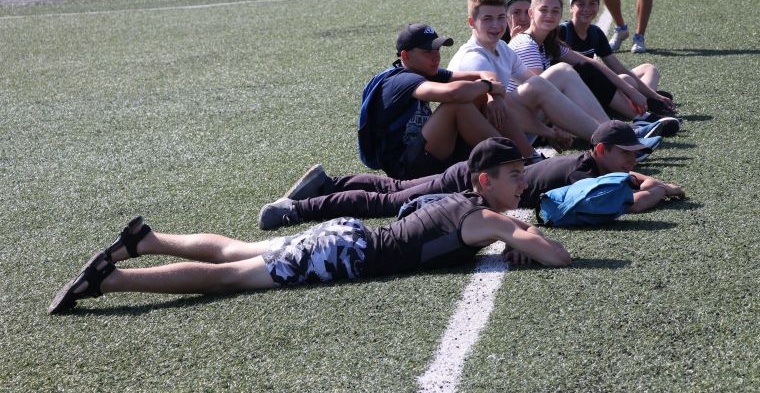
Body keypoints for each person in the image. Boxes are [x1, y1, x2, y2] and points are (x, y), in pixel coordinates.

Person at [49, 138, 572, 314]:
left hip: (346, 236)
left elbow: (510, 235)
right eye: (514, 176)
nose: (522, 184)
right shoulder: (484, 217)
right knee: (230, 277)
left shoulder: (468, 203)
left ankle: (146, 240)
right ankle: (111, 280)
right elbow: (558, 257)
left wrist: (516, 238)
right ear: (485, 180)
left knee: (237, 251)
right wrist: (525, 241)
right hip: (347, 254)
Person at [257, 120, 685, 229]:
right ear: (602, 151)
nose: (633, 162)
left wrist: (653, 183)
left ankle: (328, 184)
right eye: (627, 155)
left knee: (395, 189)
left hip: (483, 173)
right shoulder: (581, 174)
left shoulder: (590, 166)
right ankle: (296, 209)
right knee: (389, 201)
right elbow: (632, 201)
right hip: (477, 178)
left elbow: (627, 184)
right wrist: (659, 188)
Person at [447, 0, 664, 150]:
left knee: (563, 72)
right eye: (487, 19)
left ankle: (615, 133)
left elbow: (539, 84)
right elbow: (497, 105)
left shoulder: (502, 47)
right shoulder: (474, 56)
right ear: (471, 22)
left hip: (514, 122)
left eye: (500, 17)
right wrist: (549, 130)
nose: (496, 25)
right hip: (488, 140)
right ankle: (613, 141)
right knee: (552, 77)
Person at [362, 22, 535, 181]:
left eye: (437, 49)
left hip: (426, 154)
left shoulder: (425, 71)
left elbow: (484, 73)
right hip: (405, 169)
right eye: (427, 51)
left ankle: (531, 158)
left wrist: (493, 97)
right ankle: (515, 164)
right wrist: (489, 86)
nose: (436, 56)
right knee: (457, 105)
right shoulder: (399, 80)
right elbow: (453, 94)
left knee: (477, 95)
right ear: (405, 56)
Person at [507, 0, 679, 135]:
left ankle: (631, 124)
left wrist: (633, 92)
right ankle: (616, 133)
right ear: (531, 13)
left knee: (590, 69)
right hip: (523, 120)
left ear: (560, 15)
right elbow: (540, 94)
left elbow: (593, 64)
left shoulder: (550, 42)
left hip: (535, 112)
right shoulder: (527, 44)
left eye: (555, 11)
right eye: (543, 10)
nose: (549, 15)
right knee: (564, 71)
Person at [559, 0, 677, 118]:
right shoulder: (562, 32)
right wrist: (634, 90)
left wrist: (654, 95)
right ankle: (641, 105)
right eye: (580, 4)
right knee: (626, 80)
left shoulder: (595, 32)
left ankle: (647, 100)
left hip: (595, 86)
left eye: (592, 3)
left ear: (598, 6)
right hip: (578, 94)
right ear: (571, 8)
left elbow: (618, 68)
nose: (587, 8)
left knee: (649, 69)